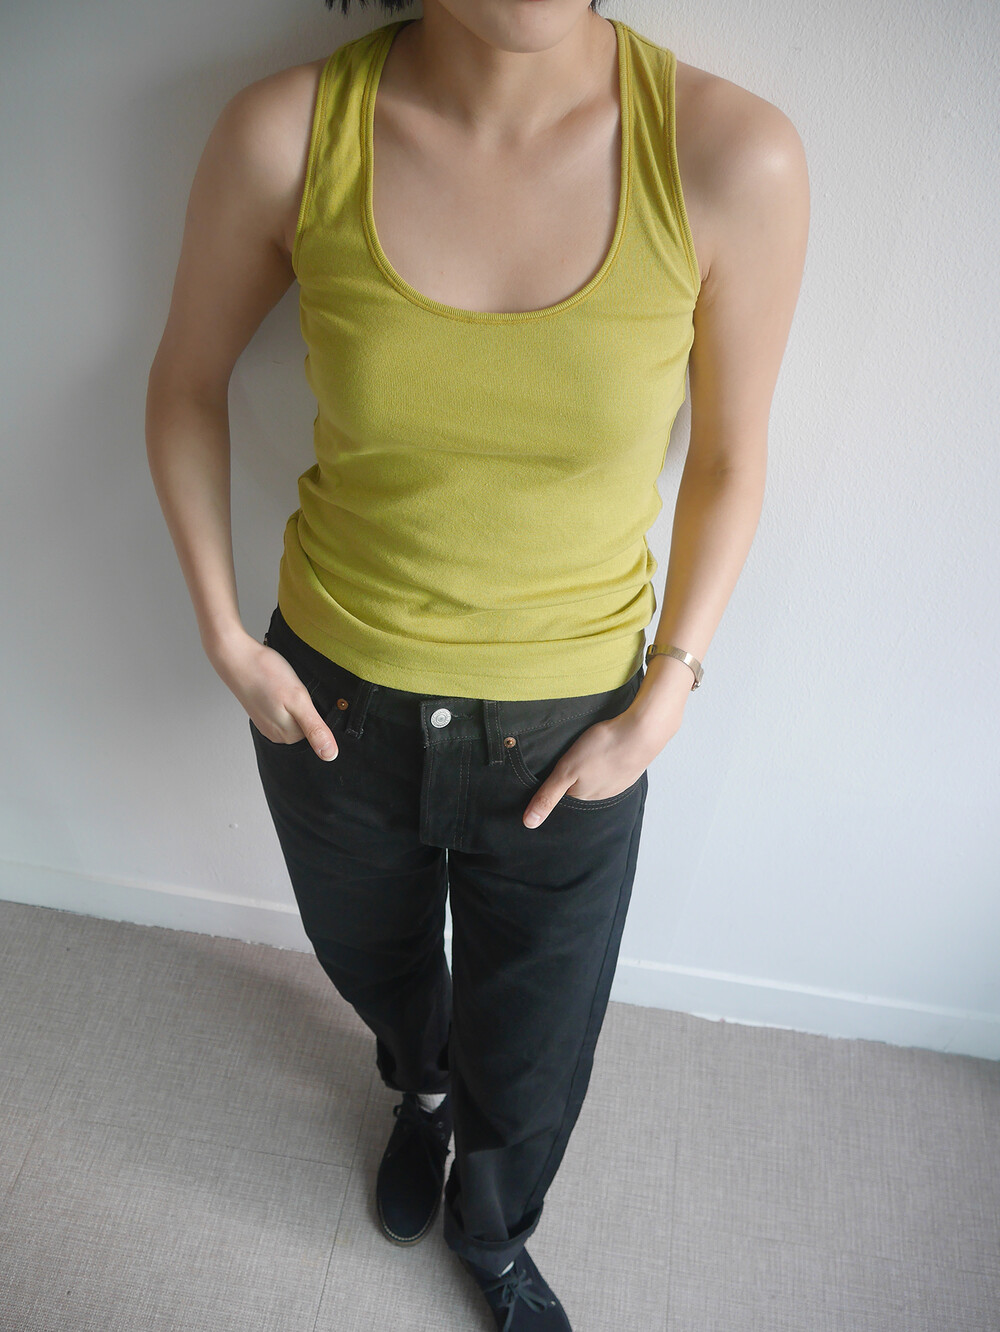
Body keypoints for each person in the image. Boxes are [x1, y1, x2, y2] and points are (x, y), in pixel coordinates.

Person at [145, 0, 809, 1326]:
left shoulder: (731, 156)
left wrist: (669, 689)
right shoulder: (287, 135)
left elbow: (734, 455)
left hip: (575, 726)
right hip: (331, 703)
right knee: (377, 965)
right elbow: (184, 381)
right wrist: (223, 633)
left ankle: (494, 1234)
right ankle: (420, 1085)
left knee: (542, 1038)